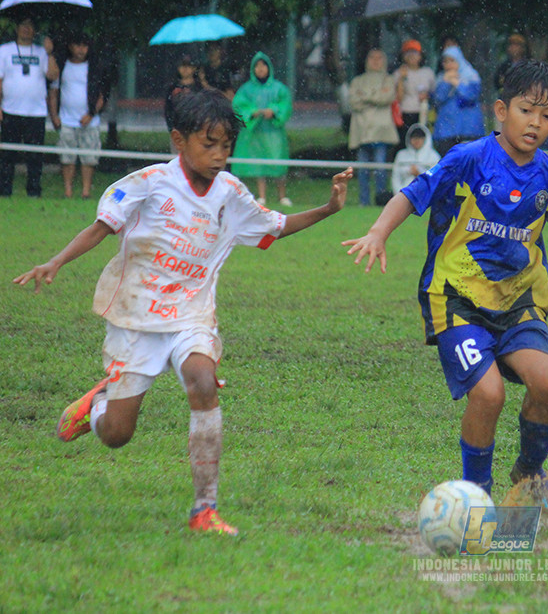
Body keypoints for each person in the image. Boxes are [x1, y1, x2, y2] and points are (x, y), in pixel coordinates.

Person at [12, 89, 353, 536]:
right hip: (135, 318)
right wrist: (55, 261)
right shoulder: (149, 183)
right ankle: (96, 405)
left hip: (191, 314)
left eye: (226, 146)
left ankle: (204, 510)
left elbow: (276, 226)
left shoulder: (231, 193)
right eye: (208, 144)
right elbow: (100, 228)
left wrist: (329, 208)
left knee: (202, 380)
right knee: (117, 434)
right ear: (179, 140)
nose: (218, 155)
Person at [343, 60, 548, 514]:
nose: (536, 123)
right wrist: (378, 231)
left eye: (547, 117)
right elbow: (413, 195)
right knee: (488, 394)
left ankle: (528, 474)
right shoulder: (469, 158)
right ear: (501, 110)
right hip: (456, 297)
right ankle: (476, 493)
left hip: (519, 299)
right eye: (527, 111)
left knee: (547, 380)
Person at [48, 32, 113, 199]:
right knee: (67, 157)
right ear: (70, 46)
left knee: (89, 158)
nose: (81, 50)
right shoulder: (62, 66)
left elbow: (102, 94)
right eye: (78, 45)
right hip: (66, 119)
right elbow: (54, 92)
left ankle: (86, 191)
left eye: (84, 46)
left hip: (89, 121)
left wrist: (91, 113)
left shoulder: (95, 67)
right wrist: (54, 115)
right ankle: (68, 191)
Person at [0, 16, 59, 197]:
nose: (26, 29)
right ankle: (4, 190)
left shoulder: (42, 52)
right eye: (23, 25)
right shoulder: (4, 51)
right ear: (17, 29)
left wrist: (49, 54)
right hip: (11, 110)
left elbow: (53, 75)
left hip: (36, 112)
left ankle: (33, 191)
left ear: (35, 31)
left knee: (35, 156)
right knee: (7, 155)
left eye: (30, 26)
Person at [230, 52, 293, 207]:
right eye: (257, 66)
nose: (260, 69)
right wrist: (253, 112)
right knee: (258, 164)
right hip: (254, 134)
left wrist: (274, 111)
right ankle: (261, 196)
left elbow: (285, 105)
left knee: (278, 163)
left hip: (274, 134)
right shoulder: (246, 89)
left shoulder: (279, 88)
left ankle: (282, 195)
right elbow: (238, 105)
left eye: (263, 65)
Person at [349, 48, 399, 206]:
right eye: (372, 57)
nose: (376, 61)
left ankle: (381, 200)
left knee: (380, 169)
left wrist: (365, 96)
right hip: (362, 130)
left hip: (381, 131)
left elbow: (387, 97)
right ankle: (363, 201)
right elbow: (353, 102)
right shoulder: (357, 80)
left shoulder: (388, 80)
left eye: (379, 57)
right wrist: (376, 96)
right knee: (362, 170)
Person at [432, 45, 484, 157]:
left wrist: (458, 84)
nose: (449, 64)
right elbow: (438, 98)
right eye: (445, 61)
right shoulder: (441, 78)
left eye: (452, 60)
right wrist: (446, 83)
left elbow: (471, 96)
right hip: (446, 130)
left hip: (469, 129)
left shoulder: (471, 76)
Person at [393, 39, 435, 137]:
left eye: (415, 53)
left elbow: (434, 92)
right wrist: (401, 79)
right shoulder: (398, 73)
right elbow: (398, 98)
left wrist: (428, 96)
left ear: (421, 55)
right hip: (405, 112)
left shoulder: (428, 72)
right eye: (408, 53)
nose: (412, 56)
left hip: (424, 111)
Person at [391, 123, 439, 194]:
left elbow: (436, 179)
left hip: (426, 195)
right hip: (404, 194)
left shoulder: (434, 156)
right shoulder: (401, 155)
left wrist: (419, 173)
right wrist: (400, 193)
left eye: (420, 138)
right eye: (414, 137)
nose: (417, 141)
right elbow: (395, 177)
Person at [164, 53, 201, 132]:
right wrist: (171, 127)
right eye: (182, 65)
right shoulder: (172, 88)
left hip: (196, 129)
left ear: (194, 68)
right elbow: (168, 109)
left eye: (188, 66)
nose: (185, 69)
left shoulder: (199, 88)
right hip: (177, 127)